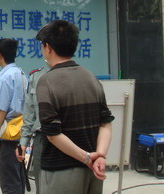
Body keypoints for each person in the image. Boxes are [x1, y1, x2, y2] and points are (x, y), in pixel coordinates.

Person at [35, 20, 114, 194]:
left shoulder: (47, 81)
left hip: (60, 171)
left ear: (48, 47)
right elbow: (105, 123)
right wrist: (100, 155)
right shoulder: (91, 78)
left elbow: (52, 134)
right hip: (94, 171)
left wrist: (86, 158)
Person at [0, 38, 27, 194]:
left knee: (8, 177)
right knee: (18, 174)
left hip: (9, 131)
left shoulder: (6, 76)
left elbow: (2, 108)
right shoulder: (21, 73)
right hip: (22, 129)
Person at [16, 66, 45, 193]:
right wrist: (24, 141)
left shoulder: (76, 76)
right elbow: (30, 110)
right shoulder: (36, 76)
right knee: (41, 186)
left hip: (68, 139)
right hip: (42, 139)